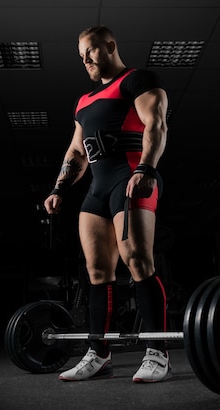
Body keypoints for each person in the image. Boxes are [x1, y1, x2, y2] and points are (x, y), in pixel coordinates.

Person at [43, 25, 170, 383]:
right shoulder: (83, 102)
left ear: (110, 45)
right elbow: (76, 151)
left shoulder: (138, 79)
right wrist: (58, 189)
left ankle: (158, 353)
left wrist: (146, 167)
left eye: (91, 51)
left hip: (131, 177)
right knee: (97, 271)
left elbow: (155, 123)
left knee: (138, 261)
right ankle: (99, 354)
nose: (85, 60)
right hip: (98, 188)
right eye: (81, 56)